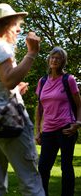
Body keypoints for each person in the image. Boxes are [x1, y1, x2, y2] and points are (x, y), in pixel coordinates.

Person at [0, 3, 45, 196]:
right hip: (12, 124)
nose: (19, 29)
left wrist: (16, 91)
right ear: (3, 26)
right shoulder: (1, 48)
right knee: (31, 182)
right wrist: (31, 54)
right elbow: (10, 79)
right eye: (15, 24)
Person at [35, 47, 81, 196]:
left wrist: (78, 123)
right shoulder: (42, 81)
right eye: (52, 57)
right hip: (48, 130)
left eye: (58, 58)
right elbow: (39, 108)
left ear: (63, 62)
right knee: (42, 168)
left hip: (66, 128)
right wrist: (37, 131)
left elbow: (79, 104)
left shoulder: (69, 79)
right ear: (48, 60)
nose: (54, 60)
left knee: (66, 167)